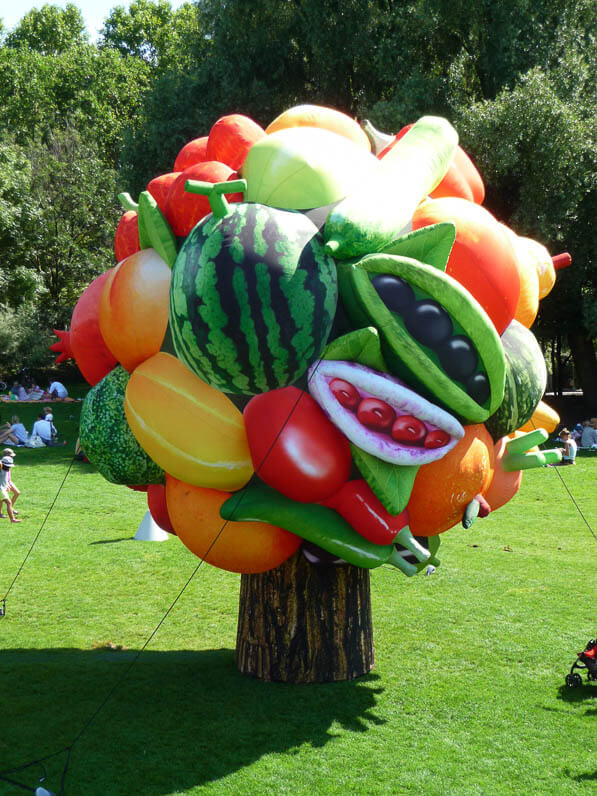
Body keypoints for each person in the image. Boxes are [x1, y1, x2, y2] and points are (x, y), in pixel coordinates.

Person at [0, 455, 20, 523]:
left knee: (9, 503)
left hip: (3, 489)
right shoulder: (1, 468)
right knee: (9, 503)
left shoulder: (5, 470)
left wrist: (7, 485)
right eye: (7, 466)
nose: (8, 467)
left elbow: (4, 479)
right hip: (0, 490)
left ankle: (12, 519)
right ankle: (12, 519)